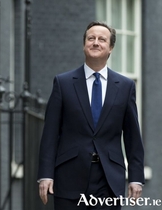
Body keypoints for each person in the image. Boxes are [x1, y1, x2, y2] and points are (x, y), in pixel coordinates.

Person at [37, 21, 144, 209]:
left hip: (109, 179)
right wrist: (46, 174)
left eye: (102, 39)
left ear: (110, 48)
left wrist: (136, 177)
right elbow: (50, 133)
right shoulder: (63, 83)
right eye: (91, 38)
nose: (95, 42)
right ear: (84, 44)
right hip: (69, 177)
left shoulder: (126, 87)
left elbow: (132, 136)